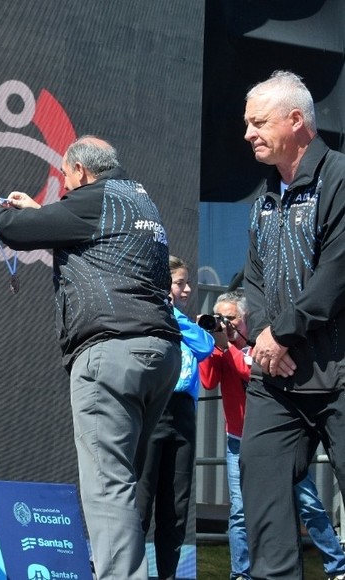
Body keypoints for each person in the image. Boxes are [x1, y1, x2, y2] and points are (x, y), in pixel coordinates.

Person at [0, 135, 182, 579]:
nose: (65, 188)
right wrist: (41, 211)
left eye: (66, 179)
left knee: (108, 487)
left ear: (81, 172)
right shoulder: (137, 200)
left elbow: (14, 230)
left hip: (111, 354)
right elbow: (91, 237)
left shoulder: (93, 200)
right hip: (160, 352)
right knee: (124, 482)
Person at [239, 69, 345, 579]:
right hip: (275, 381)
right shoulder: (263, 199)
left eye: (258, 122)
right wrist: (265, 337)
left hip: (339, 372)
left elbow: (337, 273)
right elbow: (253, 281)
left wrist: (281, 333)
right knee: (261, 497)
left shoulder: (340, 178)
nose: (248, 133)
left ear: (296, 120)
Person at [200, 290, 345, 580]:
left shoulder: (262, 345)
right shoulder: (223, 350)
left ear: (246, 320)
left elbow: (252, 372)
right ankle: (241, 573)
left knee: (309, 505)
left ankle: (337, 566)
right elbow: (207, 381)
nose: (225, 324)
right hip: (237, 441)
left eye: (231, 319)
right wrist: (211, 343)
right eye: (221, 319)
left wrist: (233, 347)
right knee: (240, 513)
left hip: (278, 442)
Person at [136, 256, 214, 580]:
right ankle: (129, 572)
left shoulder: (184, 322)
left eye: (186, 283)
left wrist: (173, 315)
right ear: (164, 284)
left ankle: (167, 574)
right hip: (154, 408)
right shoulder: (145, 315)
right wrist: (163, 310)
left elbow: (206, 345)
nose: (187, 289)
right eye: (180, 282)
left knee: (176, 506)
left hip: (182, 414)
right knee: (141, 500)